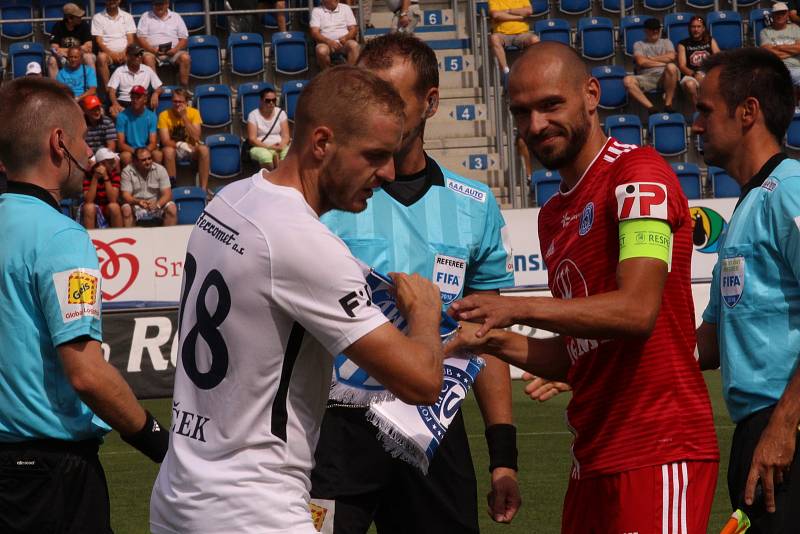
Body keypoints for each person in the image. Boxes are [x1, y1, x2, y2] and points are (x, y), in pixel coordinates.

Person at [150, 65, 446, 534]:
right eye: (374, 155)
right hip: (251, 507)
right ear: (322, 143)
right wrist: (426, 314)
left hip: (180, 493)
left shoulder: (231, 198)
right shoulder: (304, 243)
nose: (387, 173)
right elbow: (423, 382)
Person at [447, 42, 719, 534]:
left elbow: (636, 312)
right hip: (592, 458)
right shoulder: (553, 216)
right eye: (521, 112)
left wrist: (515, 307)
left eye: (551, 105)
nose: (535, 126)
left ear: (591, 95)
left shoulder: (638, 177)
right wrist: (487, 337)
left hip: (658, 450)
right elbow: (580, 354)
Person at [309, 34, 521, 534]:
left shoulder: (474, 203)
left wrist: (503, 458)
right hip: (334, 426)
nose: (373, 114)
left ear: (429, 103)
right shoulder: (323, 199)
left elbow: (484, 336)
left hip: (434, 424)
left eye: (391, 100)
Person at [0, 76, 168, 533]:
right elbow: (87, 373)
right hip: (49, 477)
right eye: (81, 139)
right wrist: (162, 446)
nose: (90, 154)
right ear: (59, 144)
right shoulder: (62, 237)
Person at [693, 47, 800, 534]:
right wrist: (595, 357)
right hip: (756, 432)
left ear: (748, 112)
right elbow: (707, 345)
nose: (695, 124)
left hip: (788, 429)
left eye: (705, 110)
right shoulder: (745, 209)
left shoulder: (791, 189)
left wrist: (783, 426)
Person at [623, 17, 679, 114]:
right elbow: (641, 62)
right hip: (646, 77)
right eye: (652, 29)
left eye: (657, 29)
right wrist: (663, 62)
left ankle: (668, 104)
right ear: (645, 30)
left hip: (664, 76)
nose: (655, 31)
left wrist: (649, 58)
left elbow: (671, 57)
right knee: (627, 81)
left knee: (671, 67)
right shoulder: (639, 44)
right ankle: (652, 109)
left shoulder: (666, 42)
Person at [158, 88, 210, 190]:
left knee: (204, 149)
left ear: (186, 102)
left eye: (180, 102)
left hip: (191, 148)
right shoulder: (164, 115)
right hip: (173, 148)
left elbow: (196, 136)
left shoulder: (194, 113)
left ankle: (203, 189)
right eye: (175, 101)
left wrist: (184, 118)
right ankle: (172, 189)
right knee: (168, 151)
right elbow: (165, 141)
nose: (177, 104)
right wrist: (181, 145)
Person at [137, 0, 191, 90]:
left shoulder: (176, 17)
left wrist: (175, 50)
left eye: (161, 4)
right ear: (152, 5)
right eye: (156, 4)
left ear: (167, 4)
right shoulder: (145, 16)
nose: (159, 6)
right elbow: (141, 38)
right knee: (147, 58)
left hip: (174, 51)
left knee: (185, 58)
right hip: (152, 51)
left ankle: (183, 90)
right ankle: (156, 90)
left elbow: (184, 38)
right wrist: (153, 50)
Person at [120, 147, 176, 226]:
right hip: (136, 205)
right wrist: (138, 202)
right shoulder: (127, 171)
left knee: (172, 208)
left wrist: (157, 204)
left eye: (149, 158)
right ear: (135, 161)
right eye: (143, 160)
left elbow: (167, 194)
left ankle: (168, 237)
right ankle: (130, 237)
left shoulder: (160, 169)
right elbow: (126, 196)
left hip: (157, 204)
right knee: (126, 209)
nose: (147, 162)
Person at [92, 0, 137, 94]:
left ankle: (136, 90)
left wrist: (125, 53)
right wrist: (112, 54)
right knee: (101, 57)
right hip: (108, 54)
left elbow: (130, 40)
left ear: (119, 0)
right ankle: (108, 90)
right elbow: (99, 41)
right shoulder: (97, 17)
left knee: (140, 55)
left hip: (126, 52)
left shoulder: (127, 16)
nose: (112, 1)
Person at [107, 44, 163, 118]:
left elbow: (159, 87)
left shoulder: (147, 69)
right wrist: (115, 104)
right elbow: (111, 91)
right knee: (114, 112)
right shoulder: (119, 71)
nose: (139, 57)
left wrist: (156, 93)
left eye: (140, 54)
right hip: (124, 102)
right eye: (136, 55)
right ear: (128, 56)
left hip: (141, 102)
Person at [488, 0, 539, 78]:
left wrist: (508, 11)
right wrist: (519, 17)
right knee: (494, 38)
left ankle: (530, 69)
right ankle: (505, 71)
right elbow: (496, 15)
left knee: (535, 39)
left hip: (522, 34)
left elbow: (529, 11)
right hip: (502, 35)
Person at [677, 16, 719, 106]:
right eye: (693, 27)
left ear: (703, 28)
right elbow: (682, 66)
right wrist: (694, 75)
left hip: (708, 73)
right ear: (689, 28)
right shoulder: (683, 44)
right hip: (690, 75)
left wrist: (710, 74)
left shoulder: (710, 41)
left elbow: (718, 58)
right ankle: (698, 111)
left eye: (698, 27)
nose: (696, 29)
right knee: (690, 85)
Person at [116, 85, 162, 168]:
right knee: (126, 157)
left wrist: (144, 153)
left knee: (157, 155)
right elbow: (121, 144)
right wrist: (136, 152)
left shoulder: (151, 116)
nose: (135, 100)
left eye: (138, 98)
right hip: (130, 150)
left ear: (145, 99)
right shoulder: (122, 116)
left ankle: (156, 179)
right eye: (133, 98)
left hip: (146, 149)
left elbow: (153, 142)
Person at [246, 87, 290, 170]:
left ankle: (282, 179)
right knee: (265, 157)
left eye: (274, 100)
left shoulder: (281, 113)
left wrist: (281, 146)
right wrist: (270, 147)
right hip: (260, 146)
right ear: (261, 101)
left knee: (288, 154)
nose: (271, 103)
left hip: (279, 145)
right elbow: (252, 139)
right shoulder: (253, 115)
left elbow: (286, 136)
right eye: (268, 100)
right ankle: (267, 179)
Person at [48, 3, 95, 78]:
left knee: (88, 57)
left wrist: (66, 51)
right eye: (78, 17)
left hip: (81, 56)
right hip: (64, 58)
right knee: (52, 60)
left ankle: (91, 87)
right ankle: (56, 88)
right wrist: (78, 49)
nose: (81, 18)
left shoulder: (84, 25)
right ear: (70, 19)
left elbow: (88, 47)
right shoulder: (58, 26)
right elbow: (54, 48)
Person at [760, 2, 800, 90]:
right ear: (772, 15)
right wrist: (793, 51)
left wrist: (779, 47)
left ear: (787, 15)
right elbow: (768, 53)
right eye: (777, 13)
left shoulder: (796, 29)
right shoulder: (765, 32)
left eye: (783, 13)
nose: (780, 15)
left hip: (796, 68)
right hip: (776, 68)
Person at [310, 0, 360, 69]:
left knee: (354, 45)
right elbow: (314, 33)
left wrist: (346, 38)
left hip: (344, 42)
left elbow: (353, 29)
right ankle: (327, 74)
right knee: (321, 51)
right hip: (326, 43)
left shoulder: (346, 8)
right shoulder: (317, 11)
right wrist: (328, 42)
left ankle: (350, 74)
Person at [82, 147, 123, 229]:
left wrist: (105, 177)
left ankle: (119, 236)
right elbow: (88, 200)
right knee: (88, 207)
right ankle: (90, 238)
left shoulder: (115, 174)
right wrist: (95, 178)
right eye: (110, 162)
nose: (114, 164)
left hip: (107, 207)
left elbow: (113, 199)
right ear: (101, 164)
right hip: (94, 207)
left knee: (114, 207)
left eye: (113, 161)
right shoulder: (88, 175)